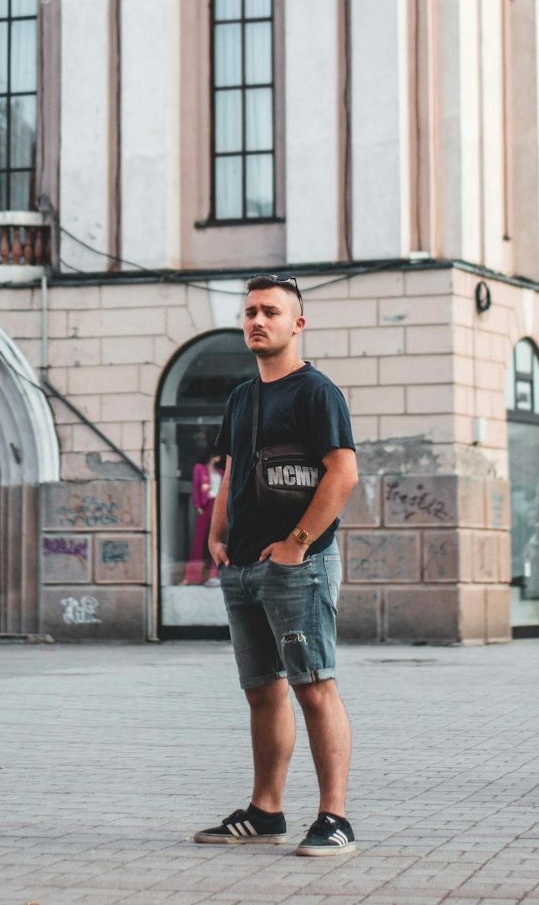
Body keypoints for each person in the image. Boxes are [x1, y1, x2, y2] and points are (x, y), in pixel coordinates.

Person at [194, 274, 359, 856]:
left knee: (314, 685)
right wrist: (217, 536)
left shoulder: (317, 393)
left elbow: (343, 473)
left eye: (269, 311)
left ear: (297, 323)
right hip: (242, 567)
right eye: (249, 313)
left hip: (299, 566)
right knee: (263, 691)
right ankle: (266, 813)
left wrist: (296, 544)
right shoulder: (243, 397)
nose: (256, 321)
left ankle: (335, 819)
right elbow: (234, 471)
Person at [181, 449, 222, 585]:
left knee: (216, 539)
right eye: (217, 455)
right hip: (206, 505)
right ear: (212, 455)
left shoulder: (221, 472)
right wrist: (198, 505)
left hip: (218, 506)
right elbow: (196, 486)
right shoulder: (200, 468)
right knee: (199, 541)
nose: (219, 458)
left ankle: (213, 575)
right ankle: (191, 576)